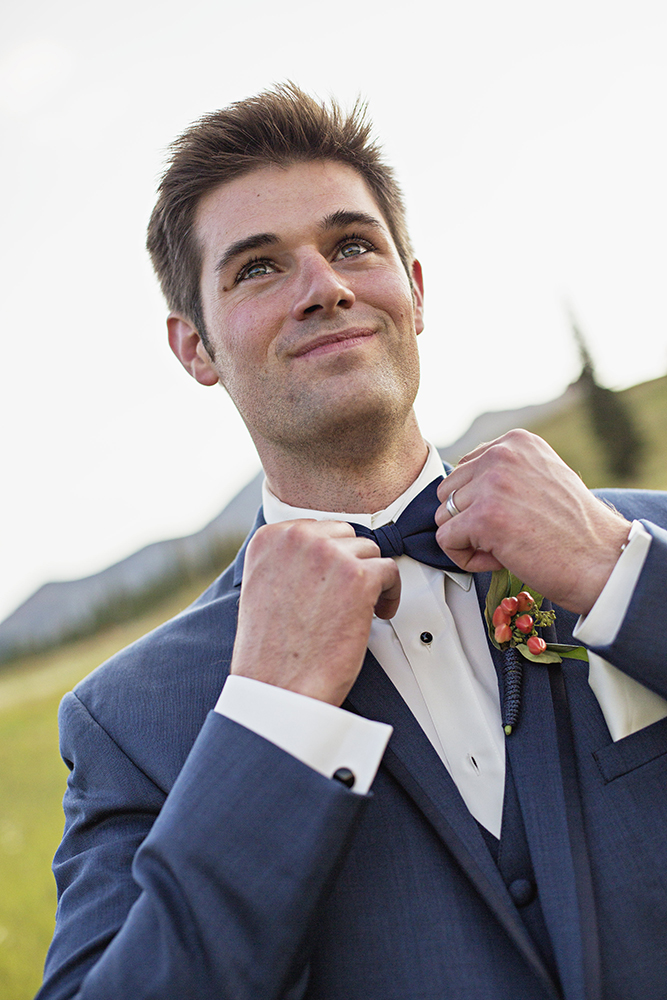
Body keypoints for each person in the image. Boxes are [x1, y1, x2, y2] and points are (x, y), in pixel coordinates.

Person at [37, 84, 667, 1000]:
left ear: (412, 288)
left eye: (352, 246)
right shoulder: (132, 719)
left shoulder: (643, 539)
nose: (324, 288)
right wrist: (271, 717)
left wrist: (624, 584)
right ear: (195, 349)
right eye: (257, 267)